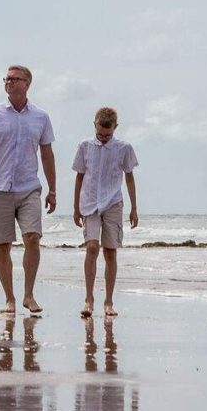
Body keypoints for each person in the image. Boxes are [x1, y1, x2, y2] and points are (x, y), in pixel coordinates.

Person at [0, 64, 59, 315]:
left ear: (27, 83)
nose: (9, 82)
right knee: (3, 245)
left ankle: (28, 295)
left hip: (29, 186)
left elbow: (47, 153)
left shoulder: (41, 117)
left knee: (32, 238)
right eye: (6, 79)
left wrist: (53, 190)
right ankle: (9, 298)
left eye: (14, 79)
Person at [70, 106, 139, 319]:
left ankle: (109, 301)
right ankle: (89, 299)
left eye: (107, 134)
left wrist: (134, 208)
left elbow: (129, 177)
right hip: (89, 202)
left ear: (115, 128)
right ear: (95, 125)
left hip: (113, 203)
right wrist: (75, 207)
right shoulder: (85, 146)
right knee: (92, 248)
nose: (103, 137)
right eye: (100, 133)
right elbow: (80, 176)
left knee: (110, 252)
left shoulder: (124, 148)